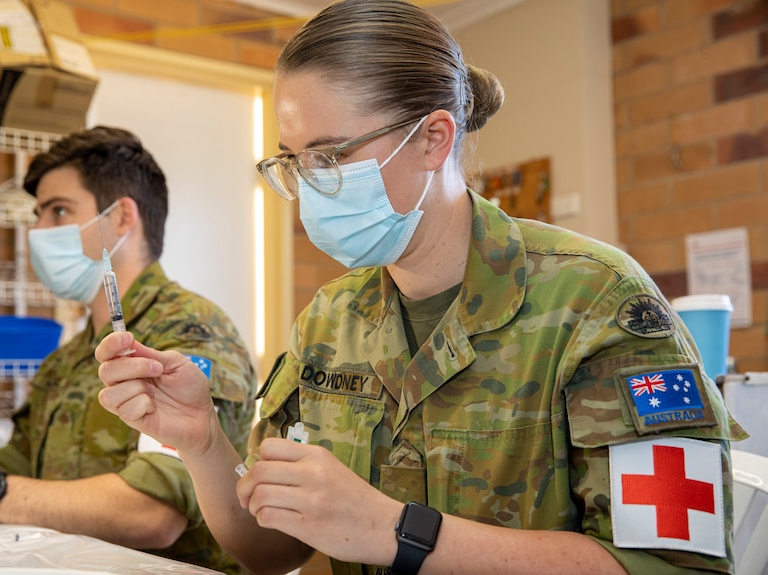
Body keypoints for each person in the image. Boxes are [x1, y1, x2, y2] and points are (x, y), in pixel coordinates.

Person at [95, 1, 747, 574]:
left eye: (330, 155)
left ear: (433, 138)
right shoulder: (332, 319)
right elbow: (273, 550)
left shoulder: (595, 301)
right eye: (293, 161)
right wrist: (203, 441)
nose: (309, 187)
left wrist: (394, 531)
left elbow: (672, 565)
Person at [0, 126, 258, 574]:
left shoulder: (187, 335)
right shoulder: (67, 359)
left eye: (58, 211)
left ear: (122, 218)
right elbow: (10, 464)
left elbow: (151, 514)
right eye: (37, 215)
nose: (38, 231)